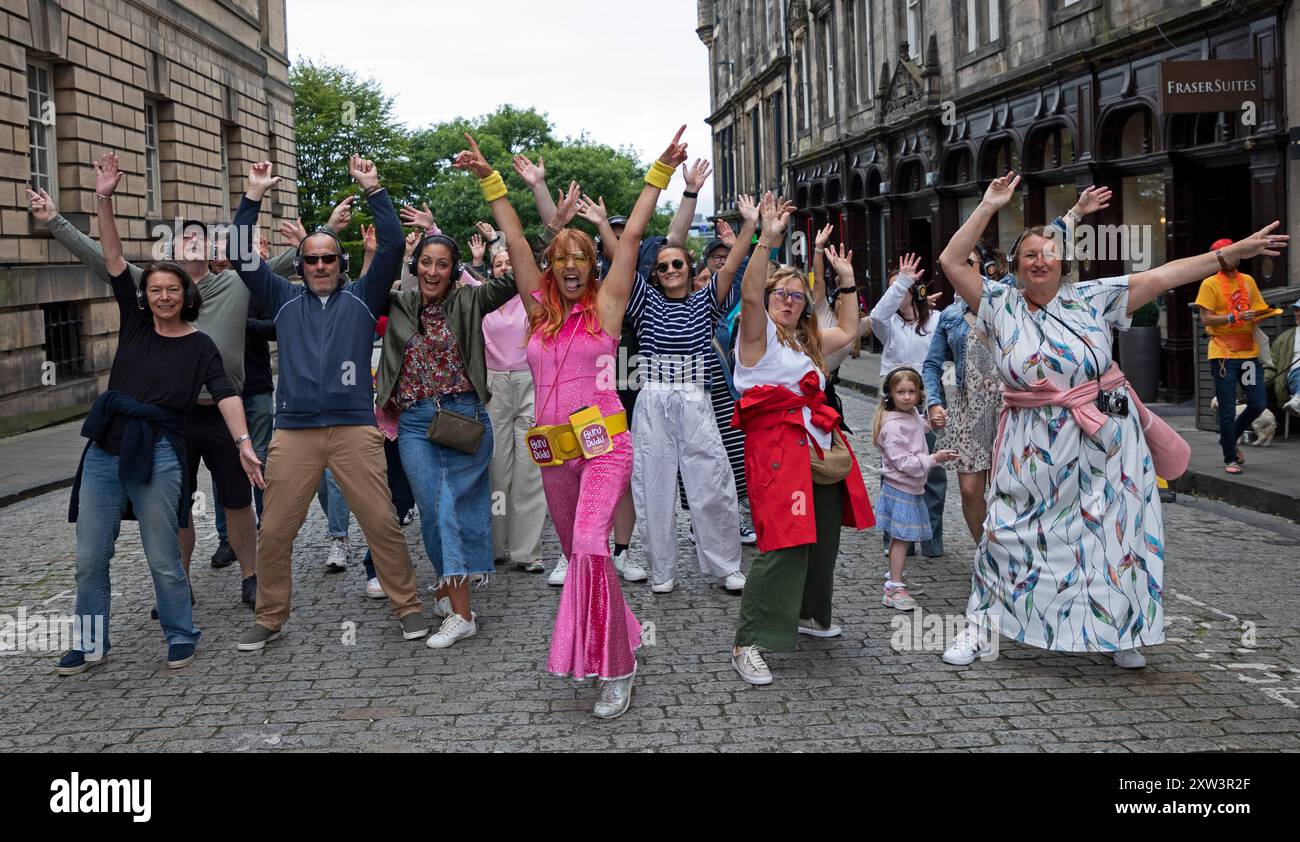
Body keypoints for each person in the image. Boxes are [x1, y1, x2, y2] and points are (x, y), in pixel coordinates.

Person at [937, 170, 1287, 668]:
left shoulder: (1092, 298)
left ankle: (1117, 631)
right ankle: (981, 626)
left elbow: (1167, 275)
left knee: (1111, 536)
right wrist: (990, 204)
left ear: (1062, 262)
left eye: (1049, 253)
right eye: (1030, 254)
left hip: (1107, 440)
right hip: (1032, 442)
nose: (1040, 261)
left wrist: (1232, 254)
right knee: (1006, 531)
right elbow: (952, 259)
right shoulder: (998, 303)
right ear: (1015, 265)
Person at [459, 126, 689, 718]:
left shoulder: (606, 308)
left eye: (580, 258)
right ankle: (626, 628)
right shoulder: (538, 311)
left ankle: (617, 666)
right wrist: (490, 179)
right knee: (580, 555)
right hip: (553, 450)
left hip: (605, 440)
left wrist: (657, 175)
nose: (569, 266)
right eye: (560, 258)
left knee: (591, 545)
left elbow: (633, 236)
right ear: (550, 266)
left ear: (591, 265)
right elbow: (512, 233)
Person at [41, 160, 262, 675]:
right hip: (105, 449)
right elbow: (113, 257)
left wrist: (245, 442)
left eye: (172, 291)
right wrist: (103, 199)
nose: (163, 296)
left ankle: (181, 631)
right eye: (156, 290)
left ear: (187, 297)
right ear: (147, 296)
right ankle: (91, 641)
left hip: (160, 450)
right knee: (90, 559)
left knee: (164, 554)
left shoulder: (201, 345)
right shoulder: (136, 324)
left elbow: (226, 394)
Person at [229, 155, 429, 651]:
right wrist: (252, 196)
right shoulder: (282, 299)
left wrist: (373, 188)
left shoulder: (363, 297)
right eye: (312, 259)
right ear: (300, 265)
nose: (320, 265)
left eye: (329, 259)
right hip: (294, 432)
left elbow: (391, 243)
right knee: (274, 531)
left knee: (381, 522)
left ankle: (407, 605)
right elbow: (239, 253)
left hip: (353, 428)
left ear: (341, 264)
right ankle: (270, 616)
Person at [729, 194, 876, 686]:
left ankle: (811, 615)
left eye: (797, 295)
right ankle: (749, 641)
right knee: (785, 544)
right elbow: (748, 296)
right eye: (781, 294)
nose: (789, 300)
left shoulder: (806, 341)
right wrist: (767, 238)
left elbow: (852, 328)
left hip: (816, 448)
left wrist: (846, 280)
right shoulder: (758, 336)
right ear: (769, 300)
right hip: (775, 451)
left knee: (824, 536)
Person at [922, 187, 1111, 545]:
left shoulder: (1005, 295)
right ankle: (986, 550)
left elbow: (1043, 247)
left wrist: (1076, 212)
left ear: (986, 269)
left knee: (1007, 485)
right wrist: (933, 400)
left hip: (1013, 403)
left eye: (971, 266)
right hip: (969, 408)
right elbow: (932, 365)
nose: (963, 272)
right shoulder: (948, 316)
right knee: (970, 488)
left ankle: (1011, 551)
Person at [373, 222, 518, 649]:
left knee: (460, 509)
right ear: (415, 266)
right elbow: (368, 283)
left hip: (464, 418)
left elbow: (515, 279)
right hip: (416, 423)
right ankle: (456, 599)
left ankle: (458, 607)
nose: (433, 271)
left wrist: (496, 241)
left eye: (443, 265)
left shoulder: (472, 299)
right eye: (426, 263)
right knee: (435, 509)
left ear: (456, 271)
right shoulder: (399, 304)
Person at [624, 172, 755, 596]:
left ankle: (725, 564)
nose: (670, 270)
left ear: (689, 267)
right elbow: (625, 250)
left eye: (677, 263)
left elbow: (733, 263)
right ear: (656, 274)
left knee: (711, 481)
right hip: (654, 399)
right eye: (662, 266)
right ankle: (662, 568)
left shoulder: (705, 302)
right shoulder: (644, 302)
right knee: (654, 485)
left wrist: (750, 227)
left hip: (695, 401)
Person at [870, 253, 946, 558]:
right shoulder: (887, 326)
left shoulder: (936, 320)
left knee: (933, 470)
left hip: (927, 400)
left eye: (903, 288)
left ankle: (931, 538)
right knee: (895, 469)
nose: (897, 294)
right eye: (892, 289)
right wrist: (900, 280)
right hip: (893, 404)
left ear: (915, 291)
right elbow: (877, 314)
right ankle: (897, 536)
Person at [479, 242, 548, 574]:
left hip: (531, 381)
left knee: (530, 468)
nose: (505, 267)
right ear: (490, 270)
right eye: (498, 264)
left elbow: (535, 256)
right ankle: (495, 546)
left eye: (510, 262)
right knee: (496, 468)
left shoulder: (534, 295)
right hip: (494, 385)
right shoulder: (480, 297)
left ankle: (527, 551)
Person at [872, 367, 958, 611]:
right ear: (889, 394)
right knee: (900, 540)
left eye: (912, 392)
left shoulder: (909, 416)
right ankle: (894, 588)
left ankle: (896, 574)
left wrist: (933, 421)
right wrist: (934, 459)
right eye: (901, 392)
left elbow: (921, 427)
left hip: (910, 489)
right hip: (902, 489)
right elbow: (904, 462)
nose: (907, 397)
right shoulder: (891, 426)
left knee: (904, 538)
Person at [1194, 238, 1272, 474]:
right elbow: (1206, 319)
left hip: (1248, 354)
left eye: (1233, 254)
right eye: (1225, 255)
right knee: (1227, 407)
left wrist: (1261, 315)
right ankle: (1230, 457)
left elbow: (1259, 308)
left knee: (1258, 403)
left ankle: (1230, 437)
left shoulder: (1247, 281)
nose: (1231, 259)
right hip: (1223, 355)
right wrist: (1232, 317)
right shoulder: (1209, 284)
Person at [1265, 298, 1300, 415]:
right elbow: (1271, 366)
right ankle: (1298, 398)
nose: (1297, 313)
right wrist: (1258, 385)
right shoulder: (1284, 339)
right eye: (1296, 309)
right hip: (1296, 375)